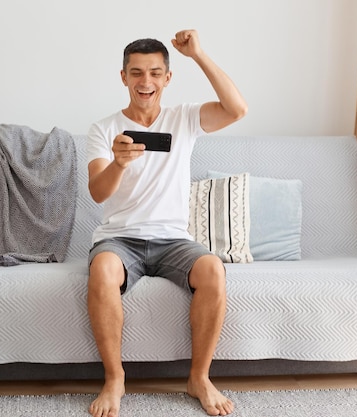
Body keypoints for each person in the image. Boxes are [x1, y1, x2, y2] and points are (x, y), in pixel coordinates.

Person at [86, 29, 248, 417]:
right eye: (137, 73)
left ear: (167, 78)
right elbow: (97, 192)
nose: (146, 82)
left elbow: (237, 109)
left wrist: (199, 54)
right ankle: (114, 379)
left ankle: (199, 378)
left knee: (212, 269)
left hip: (173, 240)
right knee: (103, 270)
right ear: (123, 77)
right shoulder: (103, 129)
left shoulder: (186, 118)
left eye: (155, 73)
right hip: (120, 239)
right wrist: (119, 164)